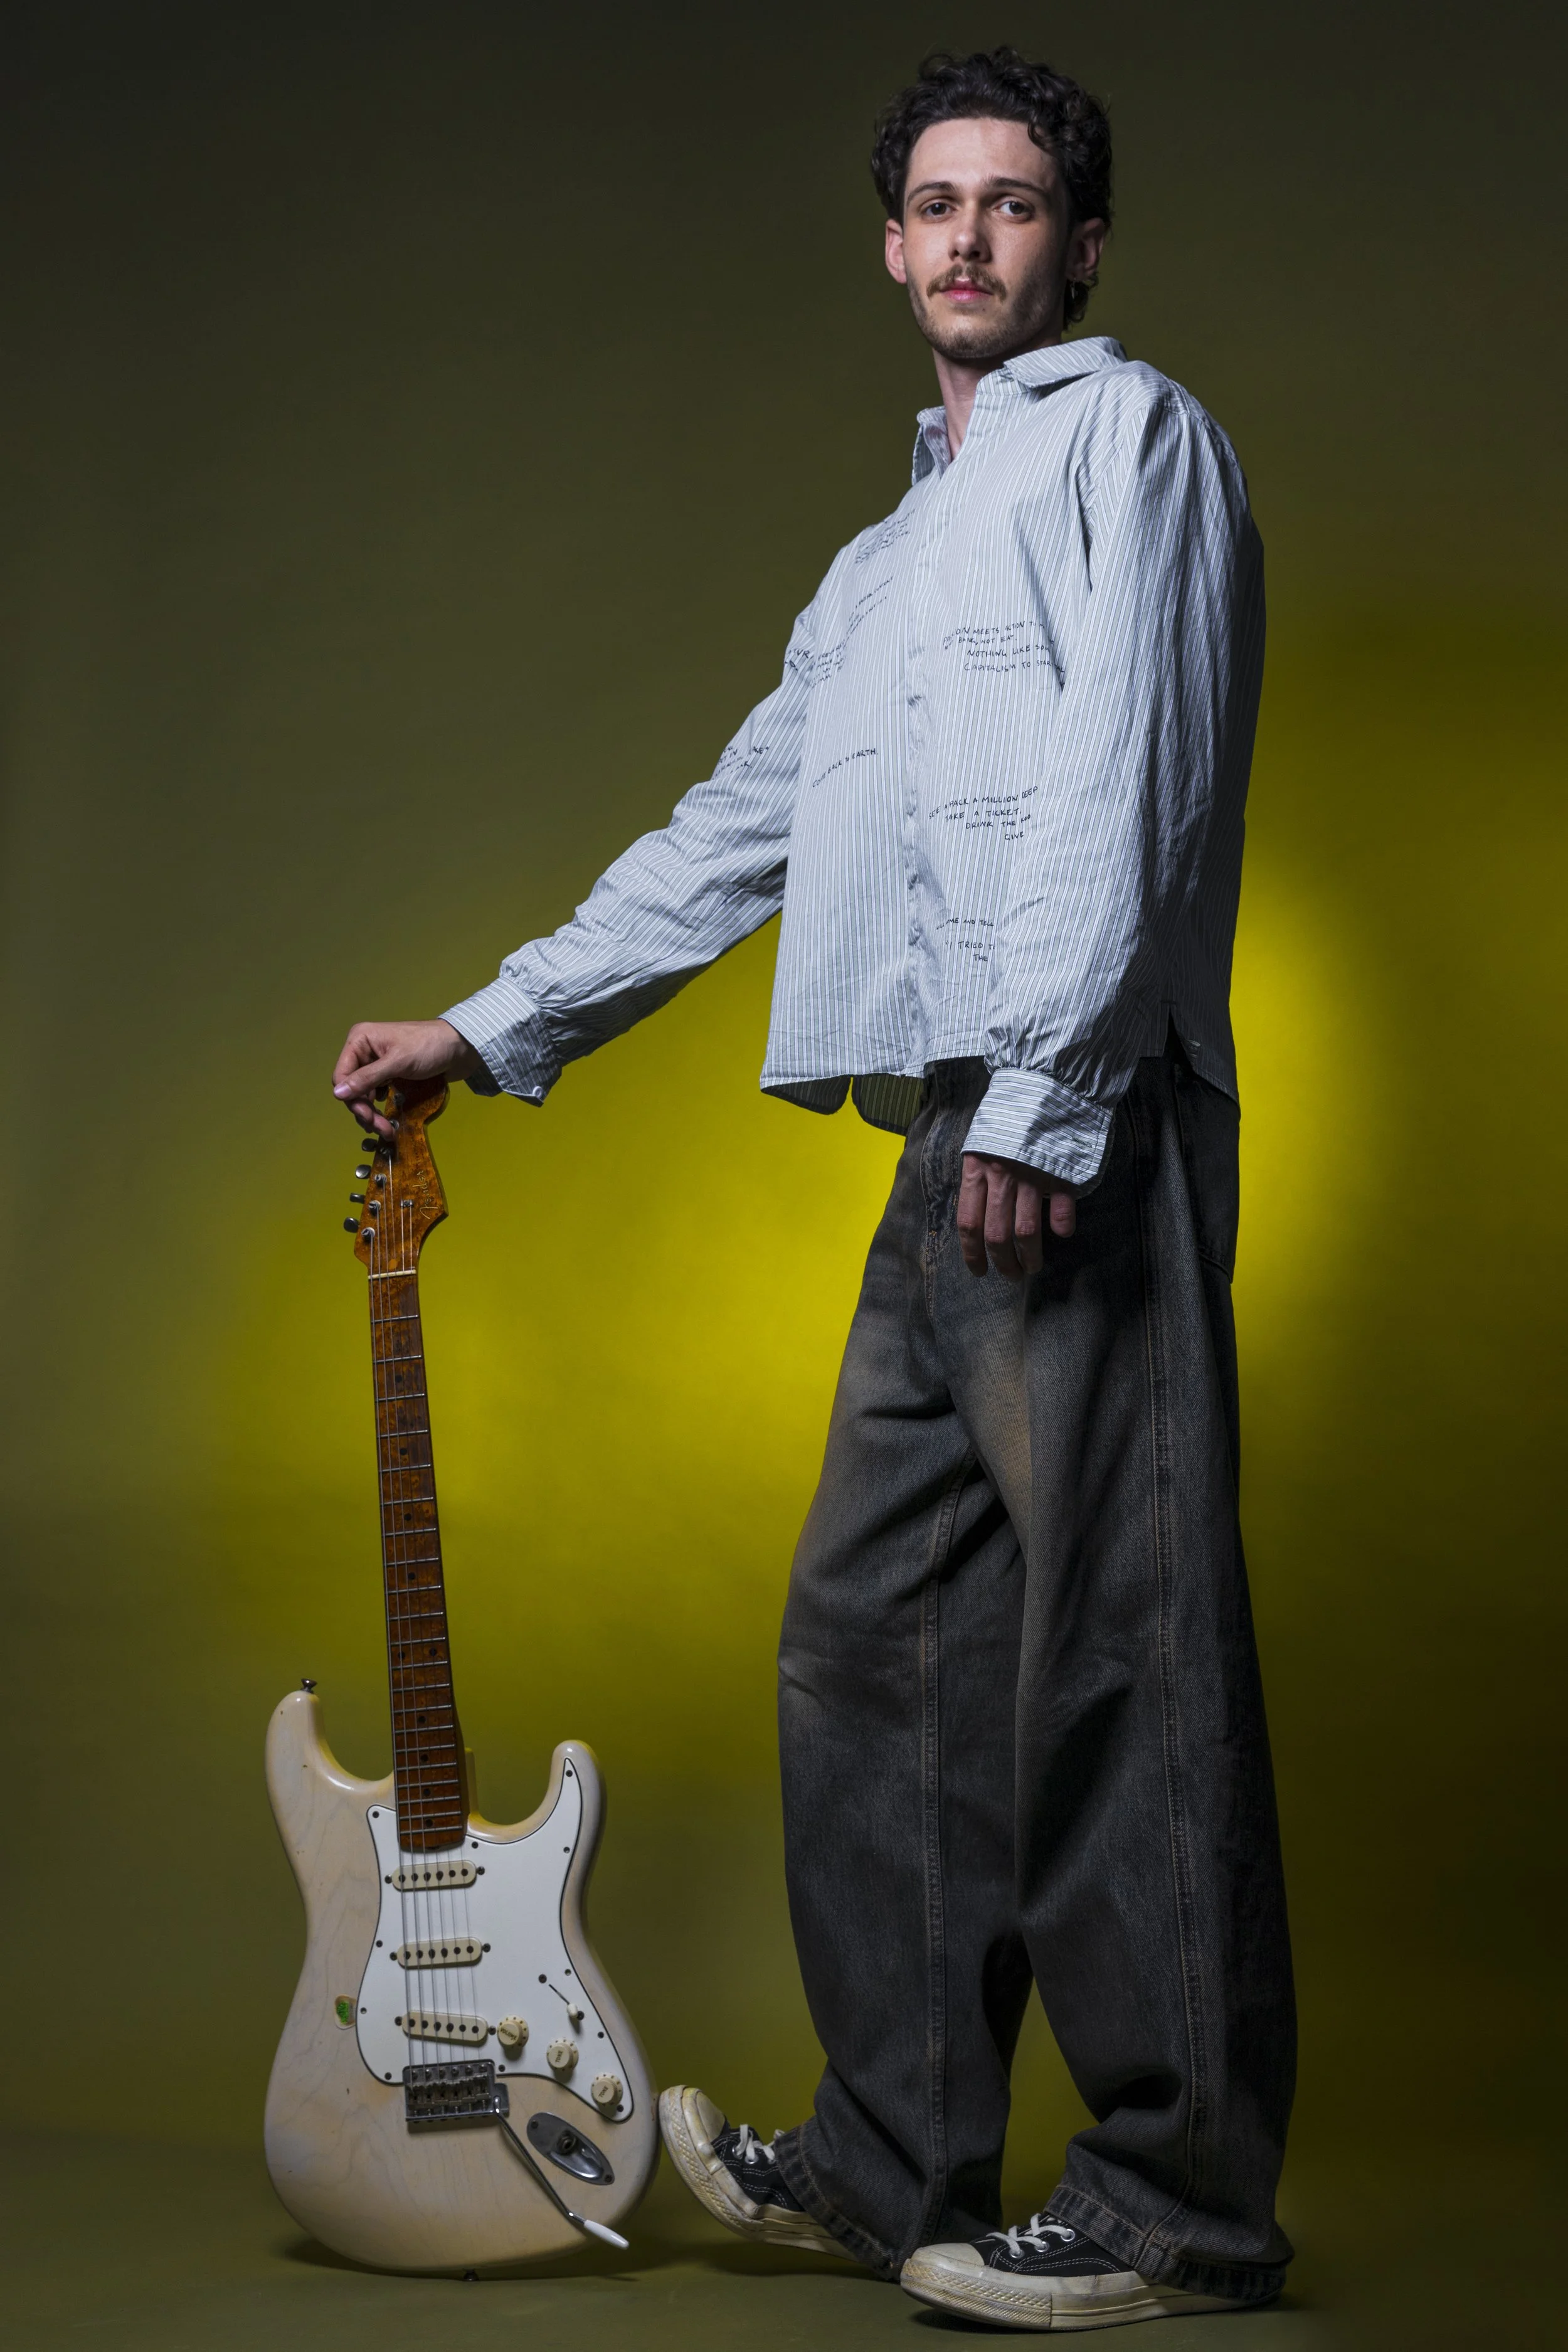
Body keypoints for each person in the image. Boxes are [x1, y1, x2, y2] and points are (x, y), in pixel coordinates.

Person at [332, 46, 1295, 2332]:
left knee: (1117, 1672)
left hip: (1071, 1118)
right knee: (874, 1647)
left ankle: (1175, 2205)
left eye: (1019, 201)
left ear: (1079, 242)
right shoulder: (880, 566)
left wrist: (1052, 1106)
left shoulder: (1128, 445)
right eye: (935, 204)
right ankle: (893, 2160)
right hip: (940, 1146)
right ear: (889, 245)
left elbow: (1122, 774)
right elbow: (734, 829)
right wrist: (495, 1021)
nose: (971, 237)